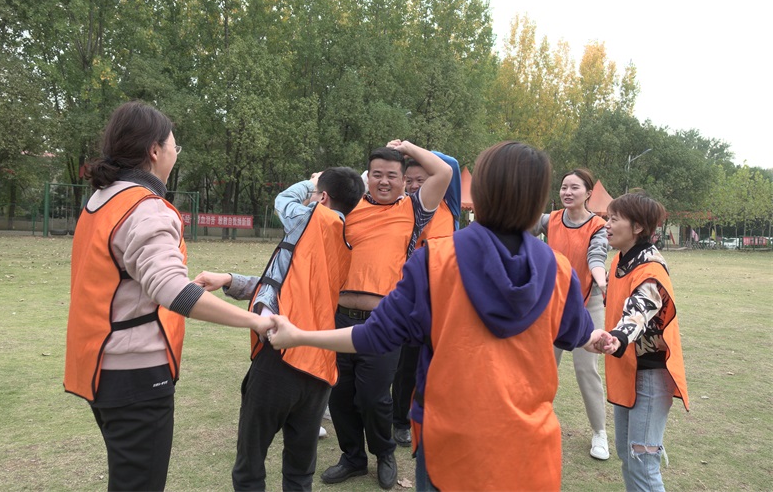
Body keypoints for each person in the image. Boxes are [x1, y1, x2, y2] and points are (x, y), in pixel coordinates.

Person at [268, 141, 613, 491]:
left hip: (449, 444)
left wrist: (300, 336)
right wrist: (597, 337)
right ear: (539, 198)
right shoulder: (558, 270)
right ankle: (356, 454)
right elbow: (577, 332)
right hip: (528, 449)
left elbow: (375, 335)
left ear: (480, 191)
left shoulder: (435, 260)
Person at [64, 101, 274, 492]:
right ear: (155, 151)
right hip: (135, 375)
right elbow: (172, 290)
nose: (176, 154)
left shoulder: (102, 199)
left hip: (99, 366)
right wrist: (256, 320)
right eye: (175, 146)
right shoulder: (147, 209)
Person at [194, 168, 365, 491]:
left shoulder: (315, 219)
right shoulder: (341, 243)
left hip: (280, 358)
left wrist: (313, 182)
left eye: (314, 196)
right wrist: (230, 279)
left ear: (323, 199)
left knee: (250, 465)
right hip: (319, 365)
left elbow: (283, 199)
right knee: (300, 473)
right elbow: (283, 285)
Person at [323, 140, 452, 489]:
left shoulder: (414, 209)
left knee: (373, 396)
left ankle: (384, 453)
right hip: (339, 316)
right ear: (367, 177)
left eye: (392, 176)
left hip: (385, 322)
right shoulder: (347, 206)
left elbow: (445, 172)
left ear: (403, 180)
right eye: (377, 174)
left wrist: (408, 146)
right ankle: (352, 456)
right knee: (339, 393)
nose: (384, 181)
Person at [599, 191, 689, 491]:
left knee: (642, 461)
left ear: (637, 227)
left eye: (614, 218)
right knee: (628, 455)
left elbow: (640, 309)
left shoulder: (650, 268)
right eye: (607, 217)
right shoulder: (620, 261)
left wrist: (618, 336)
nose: (607, 224)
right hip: (627, 369)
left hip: (651, 376)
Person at [534, 168, 611, 460]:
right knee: (543, 367)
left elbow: (596, 257)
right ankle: (537, 424)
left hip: (588, 303)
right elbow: (518, 230)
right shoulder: (549, 219)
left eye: (574, 188)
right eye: (564, 187)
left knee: (585, 368)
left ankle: (600, 434)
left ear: (588, 193)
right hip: (552, 303)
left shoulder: (598, 226)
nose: (567, 192)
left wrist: (602, 282)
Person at [391, 152, 461, 447]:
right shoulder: (403, 207)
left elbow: (451, 166)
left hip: (444, 298)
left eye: (423, 180)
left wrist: (408, 148)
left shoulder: (450, 204)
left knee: (438, 362)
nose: (415, 186)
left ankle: (433, 414)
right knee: (405, 365)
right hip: (409, 297)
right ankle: (399, 421)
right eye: (410, 180)